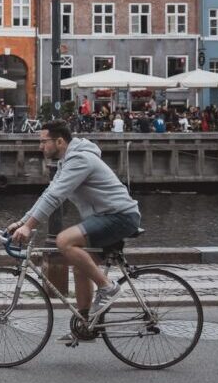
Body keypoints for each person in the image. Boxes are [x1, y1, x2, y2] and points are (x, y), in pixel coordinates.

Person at [8, 121, 141, 341]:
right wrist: (21, 222)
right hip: (105, 217)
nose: (40, 147)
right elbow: (48, 193)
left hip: (120, 216)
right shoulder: (66, 162)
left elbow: (55, 197)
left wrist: (29, 227)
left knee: (64, 241)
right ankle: (86, 325)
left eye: (43, 141)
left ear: (59, 141)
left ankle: (108, 288)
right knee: (81, 266)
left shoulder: (80, 160)